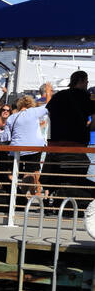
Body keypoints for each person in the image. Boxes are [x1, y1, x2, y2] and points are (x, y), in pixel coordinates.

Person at [44, 71, 95, 201]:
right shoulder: (85, 96)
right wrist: (87, 126)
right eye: (86, 81)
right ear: (82, 81)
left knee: (56, 176)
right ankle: (70, 203)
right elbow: (93, 118)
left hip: (54, 144)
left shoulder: (59, 95)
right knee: (75, 178)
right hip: (75, 144)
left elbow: (49, 113)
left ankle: (53, 202)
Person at [3, 94, 48, 199]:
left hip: (16, 149)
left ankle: (18, 194)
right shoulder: (34, 112)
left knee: (15, 173)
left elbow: (5, 138)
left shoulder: (12, 117)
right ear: (31, 104)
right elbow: (48, 107)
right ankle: (36, 194)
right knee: (34, 171)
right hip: (35, 148)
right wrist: (48, 93)